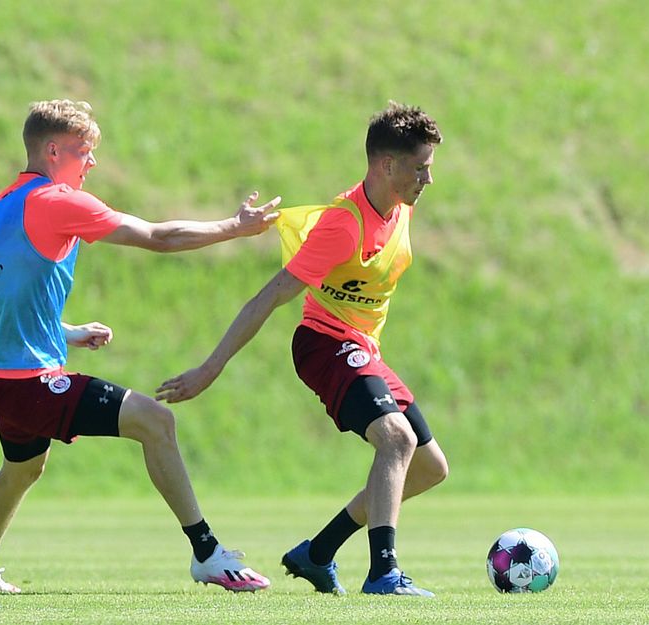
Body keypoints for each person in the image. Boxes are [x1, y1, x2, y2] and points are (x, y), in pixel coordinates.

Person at [0, 99, 280, 594]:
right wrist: (233, 227)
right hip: (27, 381)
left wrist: (67, 332)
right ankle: (208, 554)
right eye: (84, 152)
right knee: (156, 420)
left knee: (22, 470)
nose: (92, 163)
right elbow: (158, 237)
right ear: (53, 150)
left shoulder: (0, 208)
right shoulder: (56, 201)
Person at [156, 102, 448, 597]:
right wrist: (210, 368)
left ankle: (317, 553)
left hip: (364, 348)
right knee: (395, 439)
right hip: (324, 344)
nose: (428, 179)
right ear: (386, 166)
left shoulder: (402, 206)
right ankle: (383, 574)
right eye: (420, 167)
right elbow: (267, 298)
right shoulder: (342, 225)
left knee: (428, 467)